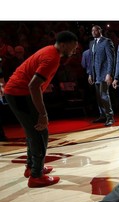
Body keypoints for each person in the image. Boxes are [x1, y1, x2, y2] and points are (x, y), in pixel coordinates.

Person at [3, 31, 78, 187]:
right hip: (20, 94)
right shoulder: (52, 58)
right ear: (64, 44)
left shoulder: (49, 51)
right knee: (40, 132)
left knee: (33, 131)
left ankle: (32, 168)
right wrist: (43, 114)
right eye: (73, 46)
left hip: (16, 93)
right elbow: (33, 86)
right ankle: (36, 176)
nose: (75, 50)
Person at [88, 25, 115, 127]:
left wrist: (109, 73)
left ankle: (110, 117)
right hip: (95, 74)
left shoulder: (106, 41)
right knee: (99, 97)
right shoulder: (92, 43)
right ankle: (103, 115)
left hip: (104, 73)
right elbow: (91, 60)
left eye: (96, 30)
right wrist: (90, 73)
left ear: (100, 31)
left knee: (104, 95)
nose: (94, 32)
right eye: (92, 30)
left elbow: (111, 59)